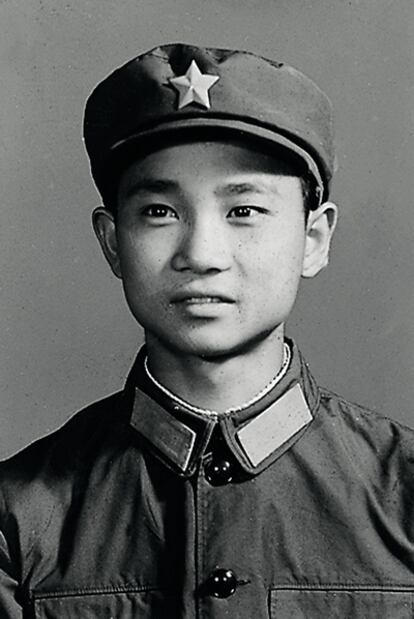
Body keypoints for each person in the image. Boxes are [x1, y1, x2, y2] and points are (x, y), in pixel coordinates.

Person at [0, 43, 413, 618]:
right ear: (113, 242)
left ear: (313, 240)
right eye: (159, 212)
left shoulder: (404, 495)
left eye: (244, 210)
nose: (203, 254)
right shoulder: (16, 517)